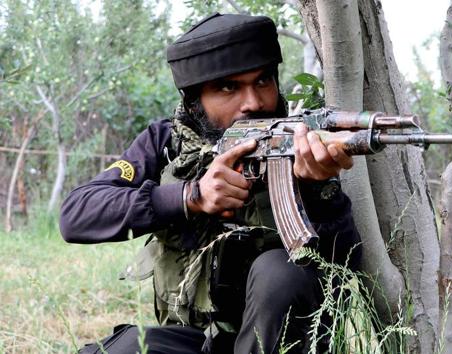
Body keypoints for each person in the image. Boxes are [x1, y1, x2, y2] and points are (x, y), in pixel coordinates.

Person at [59, 12, 362, 354]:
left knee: (281, 271)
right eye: (228, 87)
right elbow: (76, 215)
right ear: (193, 101)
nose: (254, 102)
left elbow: (346, 269)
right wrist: (191, 196)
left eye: (263, 81)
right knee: (123, 348)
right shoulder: (168, 143)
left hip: (281, 341)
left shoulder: (304, 143)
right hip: (196, 339)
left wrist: (320, 191)